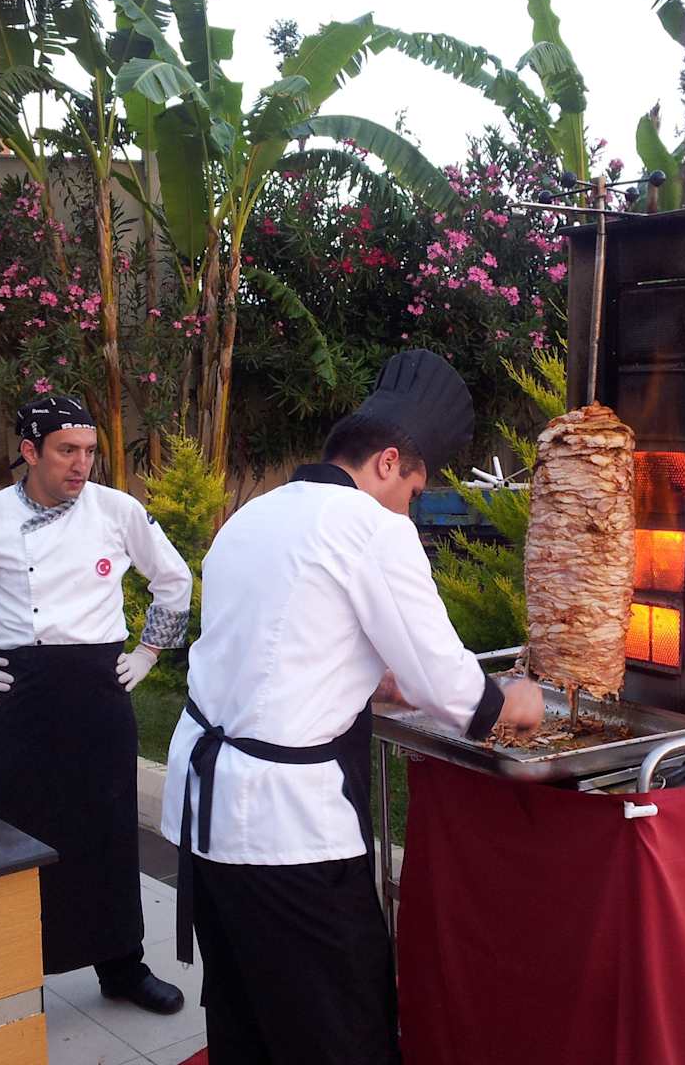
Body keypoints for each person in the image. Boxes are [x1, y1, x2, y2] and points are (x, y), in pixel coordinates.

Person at [161, 350, 545, 1062]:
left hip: (203, 812)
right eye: (414, 491)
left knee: (246, 1017)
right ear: (388, 462)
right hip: (285, 829)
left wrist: (365, 680)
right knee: (341, 1027)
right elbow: (448, 683)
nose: (410, 509)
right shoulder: (371, 527)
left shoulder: (253, 514)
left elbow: (266, 650)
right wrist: (514, 703)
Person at [0, 395, 193, 1014]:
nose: (81, 465)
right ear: (30, 451)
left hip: (100, 694)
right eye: (66, 451)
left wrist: (148, 653)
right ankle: (16, 979)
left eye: (89, 452)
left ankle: (122, 966)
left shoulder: (118, 510)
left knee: (109, 833)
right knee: (11, 837)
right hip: (21, 697)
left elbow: (175, 580)